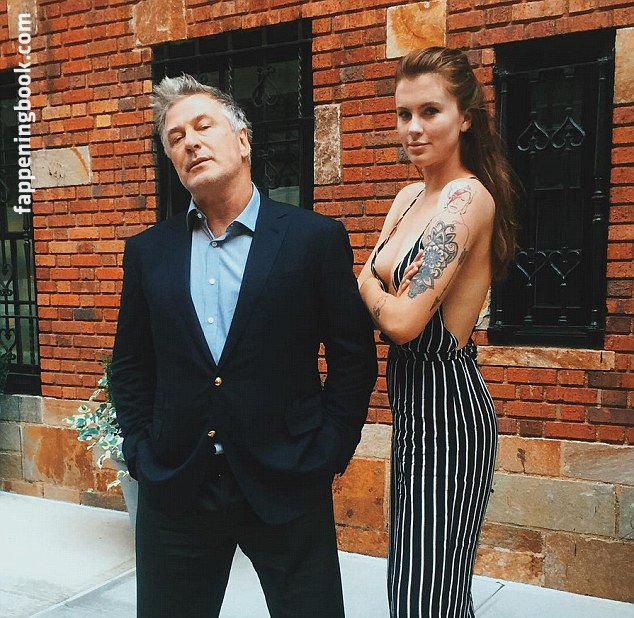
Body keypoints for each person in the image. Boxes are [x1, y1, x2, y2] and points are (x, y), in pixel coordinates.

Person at [110, 74, 377, 618]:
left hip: (287, 481)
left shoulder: (313, 239)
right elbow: (131, 363)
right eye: (176, 137)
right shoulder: (148, 252)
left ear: (243, 139)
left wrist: (327, 451)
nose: (190, 142)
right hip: (177, 487)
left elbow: (353, 358)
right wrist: (139, 450)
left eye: (202, 126)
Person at [357, 47, 517, 617]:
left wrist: (371, 288)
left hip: (449, 414)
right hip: (411, 410)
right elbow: (380, 295)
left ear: (465, 117)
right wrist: (382, 294)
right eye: (404, 114)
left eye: (430, 111)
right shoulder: (408, 198)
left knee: (429, 595)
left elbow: (401, 322)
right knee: (414, 582)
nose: (413, 128)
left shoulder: (466, 198)